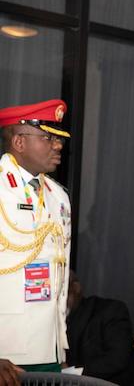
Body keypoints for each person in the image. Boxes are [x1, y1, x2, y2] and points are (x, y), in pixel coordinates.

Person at [0, 99, 72, 383]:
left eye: (59, 139)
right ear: (19, 141)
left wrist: (59, 344)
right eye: (48, 138)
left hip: (48, 348)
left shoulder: (58, 196)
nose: (58, 145)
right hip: (7, 350)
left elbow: (60, 278)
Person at [65, 270, 134, 385]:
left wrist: (70, 373)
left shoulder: (110, 310)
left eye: (63, 292)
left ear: (75, 287)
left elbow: (117, 359)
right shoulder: (50, 324)